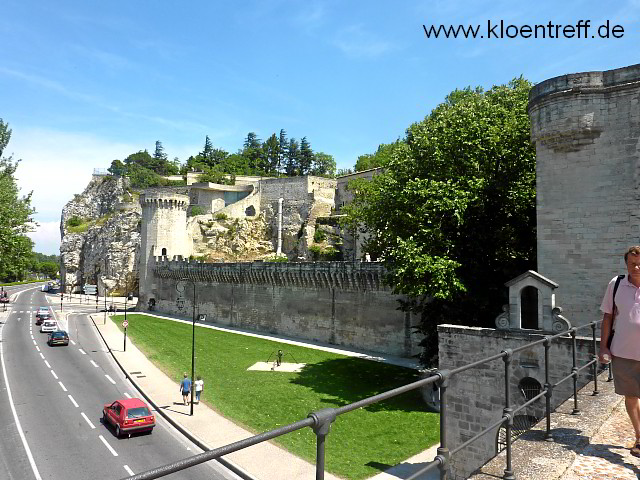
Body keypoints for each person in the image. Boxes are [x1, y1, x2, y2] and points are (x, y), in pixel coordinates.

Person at [599, 245, 640, 457]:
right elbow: (607, 316)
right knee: (631, 397)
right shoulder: (616, 285)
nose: (636, 267)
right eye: (632, 263)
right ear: (626, 264)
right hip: (623, 353)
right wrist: (603, 346)